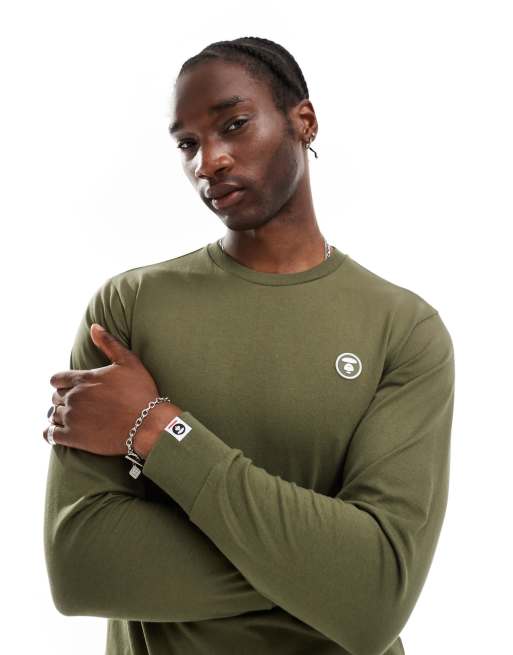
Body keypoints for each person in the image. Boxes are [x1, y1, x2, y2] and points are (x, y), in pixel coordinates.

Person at [43, 36, 455, 655]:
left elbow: (376, 598)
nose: (209, 161)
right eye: (188, 144)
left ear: (303, 121)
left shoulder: (404, 329)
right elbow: (81, 568)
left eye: (233, 125)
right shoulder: (126, 310)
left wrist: (156, 428)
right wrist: (326, 574)